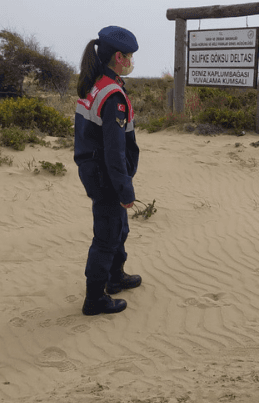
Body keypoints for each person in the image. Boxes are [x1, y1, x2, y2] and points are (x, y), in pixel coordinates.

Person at [74, 25, 143, 316]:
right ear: (118, 57)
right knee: (106, 235)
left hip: (96, 171)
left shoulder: (97, 83)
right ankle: (94, 299)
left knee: (119, 227)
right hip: (106, 175)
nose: (130, 61)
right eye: (128, 56)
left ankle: (116, 276)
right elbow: (114, 151)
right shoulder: (112, 95)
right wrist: (125, 189)